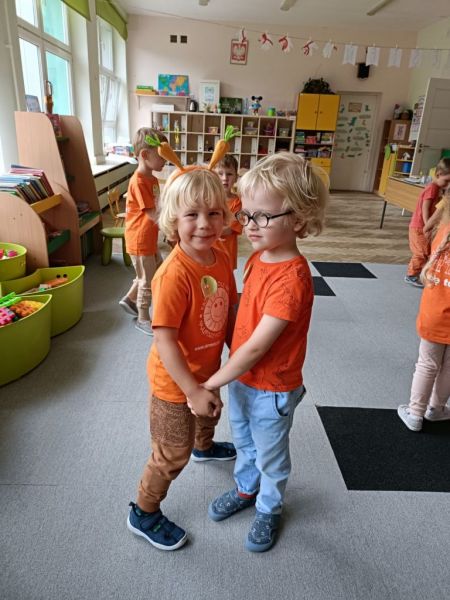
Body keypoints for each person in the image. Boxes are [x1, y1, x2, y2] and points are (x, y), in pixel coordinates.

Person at [202, 152, 328, 552]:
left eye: (262, 217)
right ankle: (245, 488)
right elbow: (246, 312)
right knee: (243, 440)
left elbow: (258, 346)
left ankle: (269, 507)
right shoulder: (258, 257)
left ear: (299, 220)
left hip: (273, 387)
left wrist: (212, 381)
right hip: (243, 378)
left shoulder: (292, 279)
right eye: (246, 214)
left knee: (271, 455)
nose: (249, 225)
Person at [127, 164, 238, 551]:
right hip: (174, 384)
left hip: (207, 370)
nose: (205, 224)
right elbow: (165, 341)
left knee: (209, 413)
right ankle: (143, 511)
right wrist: (191, 390)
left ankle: (204, 446)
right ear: (174, 220)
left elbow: (228, 307)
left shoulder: (220, 257)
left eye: (214, 213)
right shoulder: (173, 274)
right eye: (192, 214)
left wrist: (237, 354)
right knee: (171, 453)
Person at [398, 190, 450, 431]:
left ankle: (415, 414)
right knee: (448, 367)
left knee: (427, 364)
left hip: (433, 313)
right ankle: (436, 409)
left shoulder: (443, 232)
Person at [119, 127, 166, 335]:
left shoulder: (152, 179)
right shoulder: (138, 181)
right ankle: (143, 317)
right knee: (148, 278)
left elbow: (158, 206)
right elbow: (151, 213)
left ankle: (130, 299)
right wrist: (170, 228)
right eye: (161, 155)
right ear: (145, 155)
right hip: (139, 238)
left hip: (149, 237)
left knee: (155, 269)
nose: (165, 160)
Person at [405, 157, 450, 287]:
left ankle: (419, 272)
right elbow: (425, 207)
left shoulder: (436, 188)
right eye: (446, 181)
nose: (448, 185)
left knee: (424, 251)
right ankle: (411, 275)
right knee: (421, 252)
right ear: (438, 174)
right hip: (419, 226)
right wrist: (427, 224)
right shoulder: (432, 188)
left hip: (420, 226)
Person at [213, 154, 242, 270]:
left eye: (229, 174)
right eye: (220, 174)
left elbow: (230, 229)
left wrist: (210, 230)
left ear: (236, 178)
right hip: (207, 252)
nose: (225, 178)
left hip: (227, 254)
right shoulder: (208, 199)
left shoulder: (238, 203)